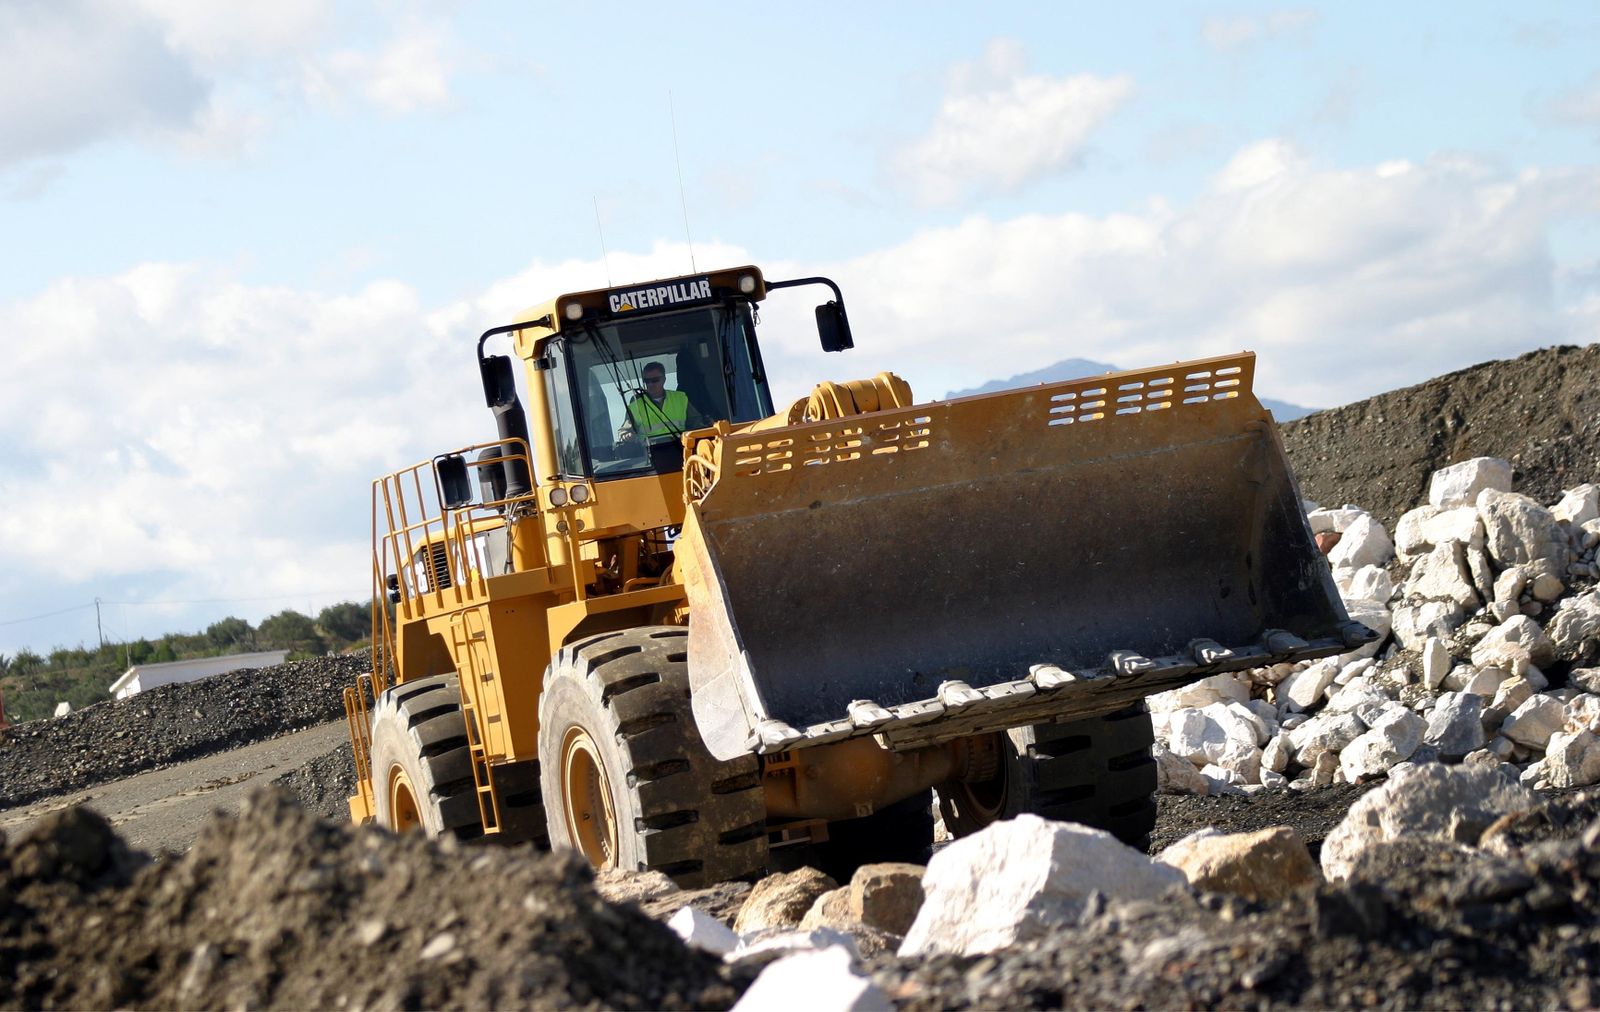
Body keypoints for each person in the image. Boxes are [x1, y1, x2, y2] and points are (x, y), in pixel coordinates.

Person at [619, 361, 694, 445]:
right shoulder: (635, 403)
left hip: (681, 448)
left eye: (655, 380)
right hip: (649, 453)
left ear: (664, 379)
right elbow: (624, 431)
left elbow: (697, 423)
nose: (651, 384)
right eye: (647, 381)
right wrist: (626, 435)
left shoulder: (680, 398)